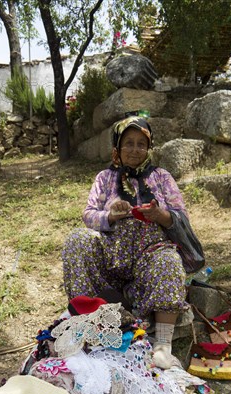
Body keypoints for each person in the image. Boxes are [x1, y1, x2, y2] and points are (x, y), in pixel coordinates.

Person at [62, 115, 190, 369]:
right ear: (117, 148)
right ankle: (87, 322)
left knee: (168, 260)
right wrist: (110, 215)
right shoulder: (105, 178)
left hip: (148, 256)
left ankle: (163, 346)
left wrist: (159, 215)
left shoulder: (162, 178)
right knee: (77, 240)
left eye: (141, 144)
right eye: (128, 143)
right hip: (110, 258)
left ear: (149, 148)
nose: (134, 149)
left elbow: (181, 218)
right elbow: (88, 215)